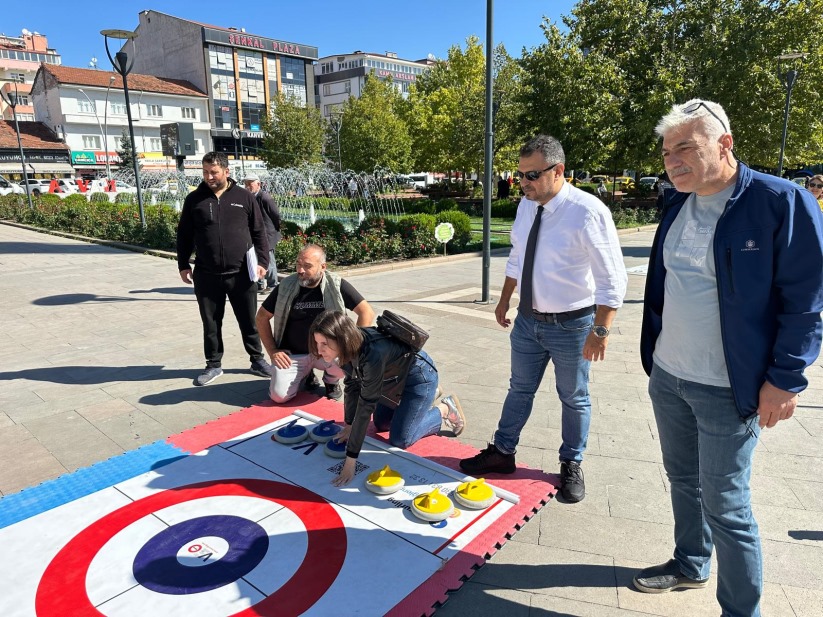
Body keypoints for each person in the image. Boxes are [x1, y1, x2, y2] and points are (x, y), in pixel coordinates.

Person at [634, 99, 823, 616]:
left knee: (728, 506)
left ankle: (741, 611)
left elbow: (806, 302)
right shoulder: (677, 201)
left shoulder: (779, 201)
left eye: (686, 148)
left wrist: (785, 380)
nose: (673, 161)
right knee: (682, 480)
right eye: (668, 151)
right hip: (670, 375)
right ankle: (690, 563)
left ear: (725, 143)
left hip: (729, 388)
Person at [459, 134, 627, 504]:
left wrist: (601, 330)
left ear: (559, 170)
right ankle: (503, 452)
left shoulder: (587, 211)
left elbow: (612, 278)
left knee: (574, 397)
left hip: (573, 324)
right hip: (528, 321)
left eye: (532, 175)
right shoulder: (526, 206)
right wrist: (504, 300)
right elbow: (518, 257)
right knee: (519, 388)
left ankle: (570, 463)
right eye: (520, 175)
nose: (524, 183)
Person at [308, 310, 465, 486]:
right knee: (381, 424)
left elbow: (366, 406)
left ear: (341, 338)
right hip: (392, 384)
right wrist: (349, 425)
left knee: (400, 439)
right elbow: (352, 387)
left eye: (324, 344)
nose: (320, 350)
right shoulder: (348, 347)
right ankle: (424, 401)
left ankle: (443, 409)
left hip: (419, 379)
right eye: (317, 343)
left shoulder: (372, 354)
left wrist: (350, 460)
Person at [177, 152, 272, 387]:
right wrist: (183, 264)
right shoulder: (194, 200)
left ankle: (257, 359)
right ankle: (213, 364)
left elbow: (259, 231)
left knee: (249, 320)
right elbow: (184, 235)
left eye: (214, 172)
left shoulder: (244, 197)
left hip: (241, 273)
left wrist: (262, 263)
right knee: (211, 323)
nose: (209, 177)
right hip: (206, 274)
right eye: (205, 172)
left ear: (226, 172)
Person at [256, 244, 375, 402]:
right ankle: (306, 373)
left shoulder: (336, 285)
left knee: (347, 361)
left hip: (327, 353)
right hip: (294, 354)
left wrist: (352, 347)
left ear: (323, 267)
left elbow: (366, 312)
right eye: (298, 264)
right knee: (279, 396)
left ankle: (331, 381)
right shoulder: (286, 285)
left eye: (307, 266)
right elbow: (261, 317)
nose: (300, 270)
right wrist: (272, 351)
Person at [243, 173, 281, 293]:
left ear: (258, 184)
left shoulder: (264, 197)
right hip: (254, 234)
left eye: (250, 184)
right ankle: (259, 283)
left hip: (267, 234)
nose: (247, 186)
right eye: (246, 184)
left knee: (268, 260)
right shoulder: (249, 197)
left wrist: (274, 231)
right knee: (254, 258)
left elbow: (276, 215)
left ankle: (273, 284)